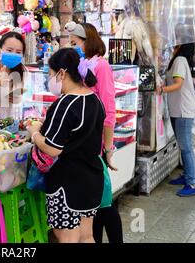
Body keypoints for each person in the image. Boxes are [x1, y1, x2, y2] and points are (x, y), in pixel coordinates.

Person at [27, 48, 105, 243]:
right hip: (92, 178)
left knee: (66, 237)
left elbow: (53, 148)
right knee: (87, 236)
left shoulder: (66, 103)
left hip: (67, 183)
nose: (50, 79)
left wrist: (34, 132)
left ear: (62, 73)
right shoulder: (94, 99)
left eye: (51, 74)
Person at [66, 21, 123, 243]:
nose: (73, 47)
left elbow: (109, 109)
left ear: (87, 41)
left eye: (76, 43)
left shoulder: (101, 67)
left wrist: (108, 148)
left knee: (104, 201)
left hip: (96, 143)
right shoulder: (82, 65)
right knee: (95, 203)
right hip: (83, 141)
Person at [158, 43, 195, 197]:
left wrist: (161, 90)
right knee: (183, 145)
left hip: (183, 110)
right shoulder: (177, 59)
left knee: (186, 147)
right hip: (178, 109)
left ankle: (193, 183)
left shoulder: (180, 60)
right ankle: (187, 176)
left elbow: (178, 84)